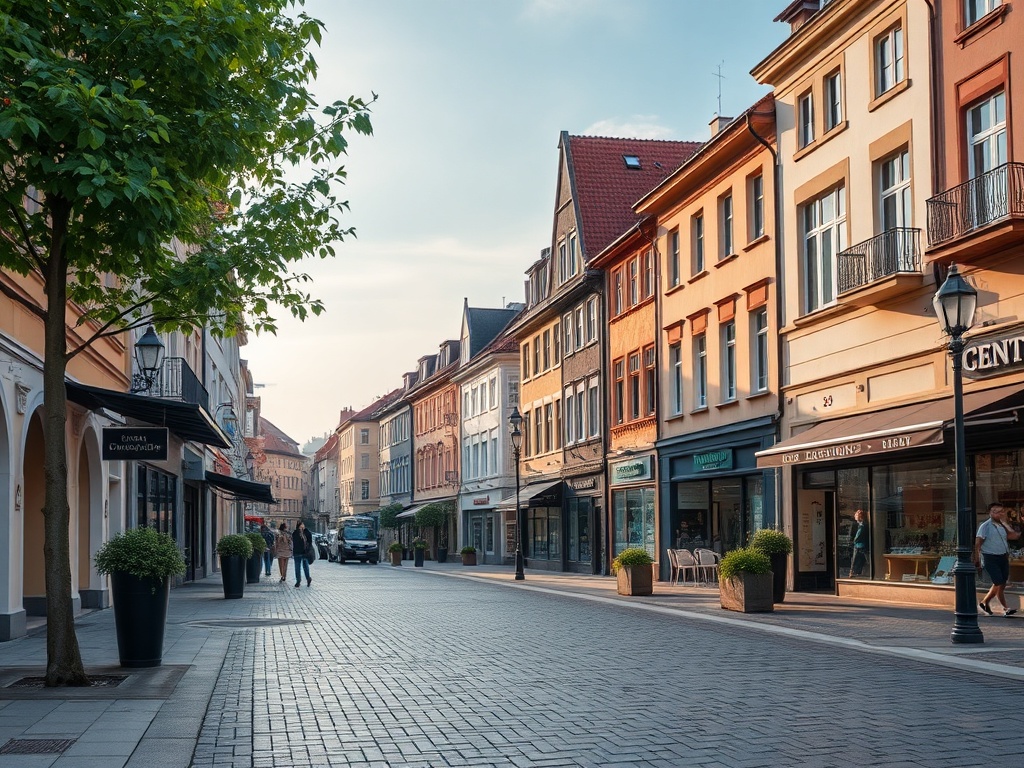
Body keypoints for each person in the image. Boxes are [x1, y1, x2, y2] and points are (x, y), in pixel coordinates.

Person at [975, 502, 1021, 617]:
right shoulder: (985, 526)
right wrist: (977, 559)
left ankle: (986, 603)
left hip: (1002, 556)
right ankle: (1001, 607)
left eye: (1002, 511)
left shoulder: (1002, 525)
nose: (1001, 514)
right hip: (990, 556)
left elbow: (1014, 536)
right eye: (997, 512)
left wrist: (1005, 523)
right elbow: (978, 543)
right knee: (998, 581)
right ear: (991, 513)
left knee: (1002, 583)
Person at [292, 521, 313, 588]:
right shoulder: (306, 532)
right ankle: (307, 578)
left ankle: (299, 580)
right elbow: (310, 542)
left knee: (298, 567)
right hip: (303, 552)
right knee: (305, 566)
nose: (303, 526)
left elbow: (294, 542)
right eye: (302, 524)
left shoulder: (295, 533)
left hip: (298, 552)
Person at [849, 510, 869, 578]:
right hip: (862, 545)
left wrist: (854, 541)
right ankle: (856, 572)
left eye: (856, 515)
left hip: (859, 545)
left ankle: (853, 572)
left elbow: (858, 536)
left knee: (855, 560)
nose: (855, 516)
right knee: (862, 559)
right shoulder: (861, 525)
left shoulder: (862, 525)